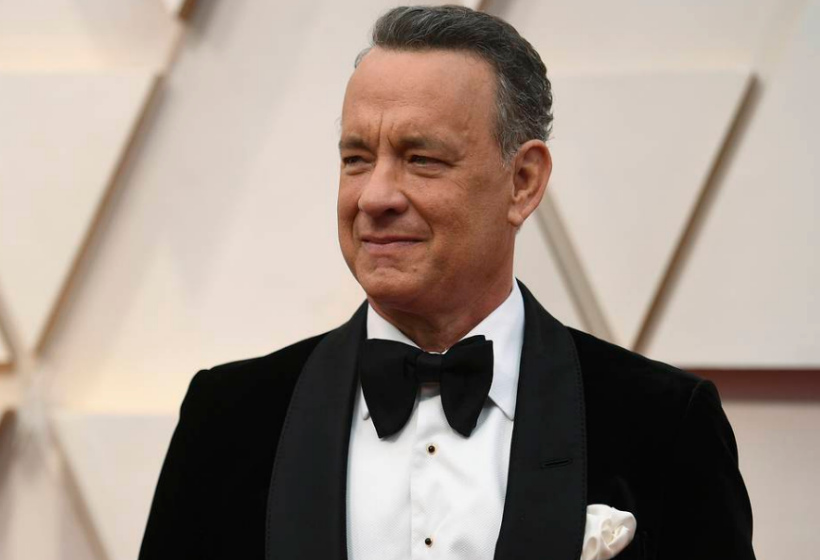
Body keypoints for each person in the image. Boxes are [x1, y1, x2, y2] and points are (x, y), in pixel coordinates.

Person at [139, 6, 756, 560]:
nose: (375, 196)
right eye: (356, 158)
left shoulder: (662, 423)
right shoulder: (228, 420)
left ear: (523, 182)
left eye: (421, 159)